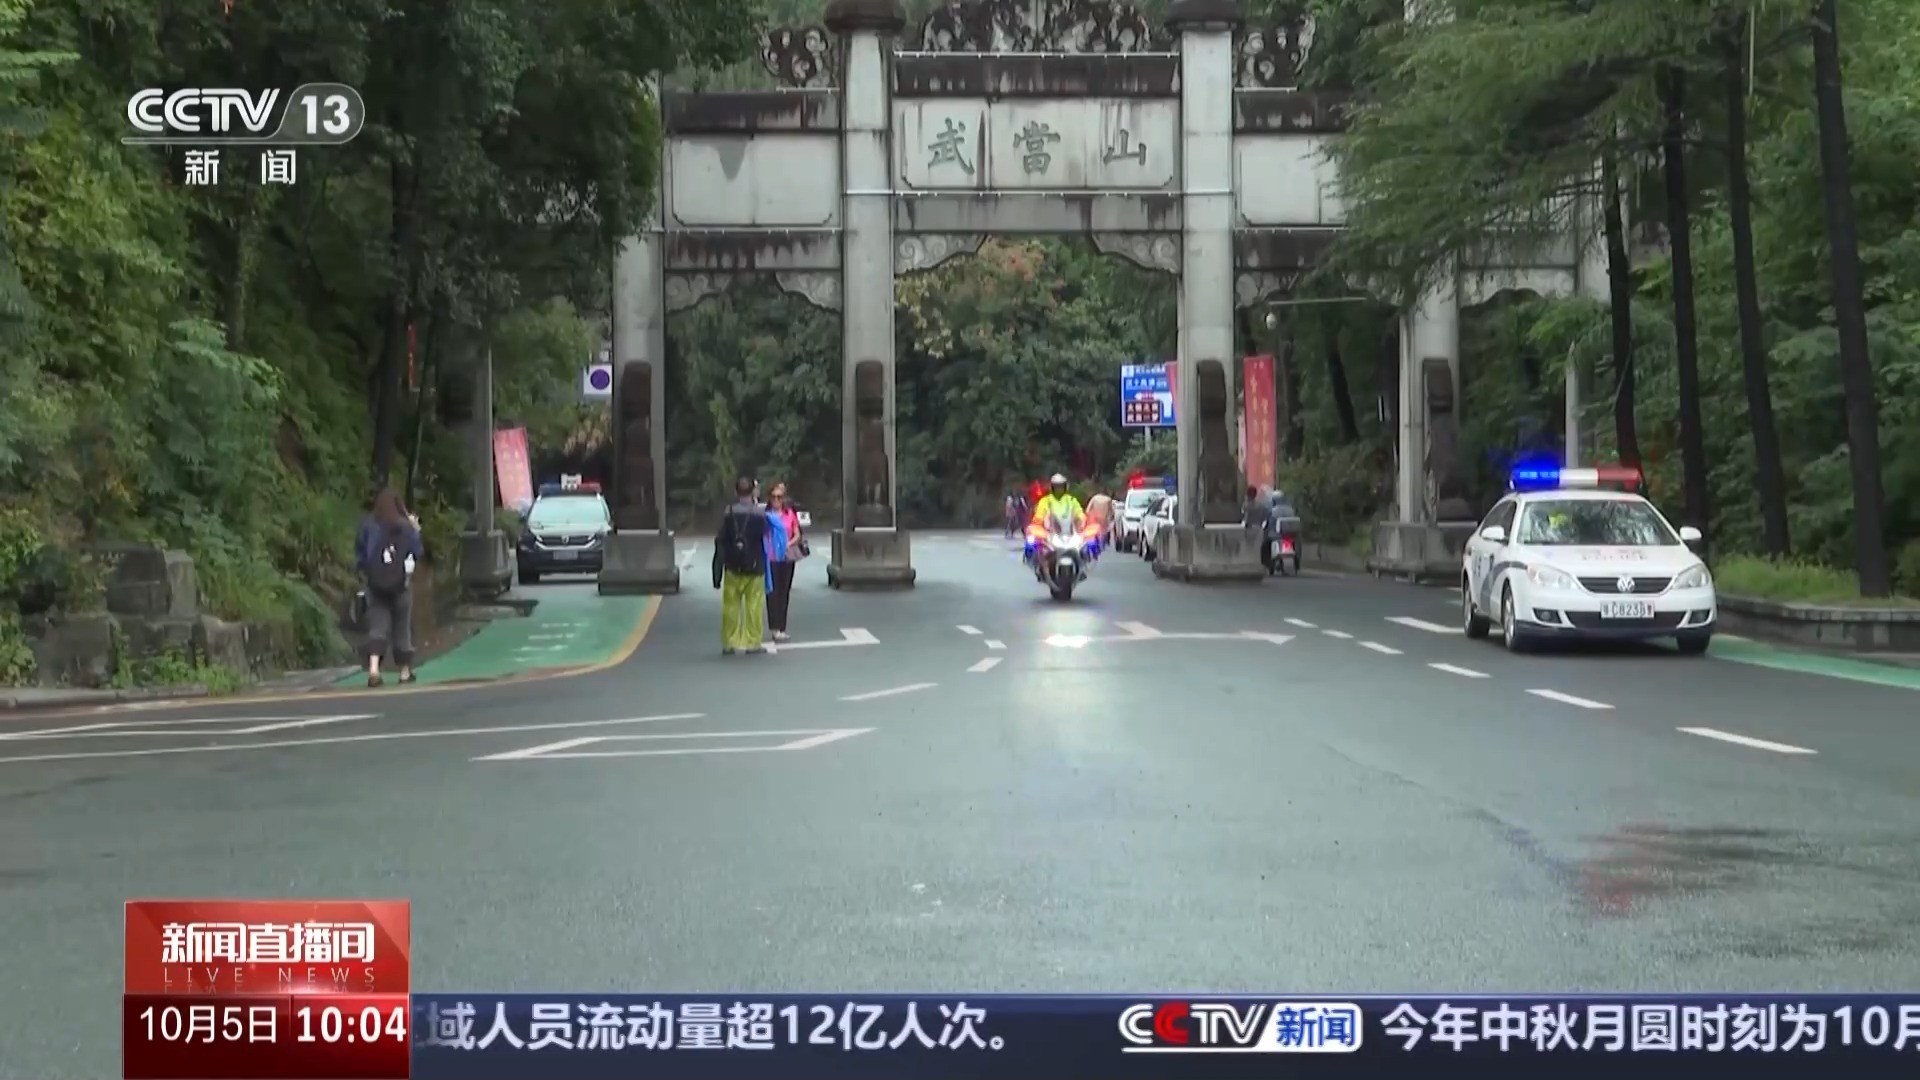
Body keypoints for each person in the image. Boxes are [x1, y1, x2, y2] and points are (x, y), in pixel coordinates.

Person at [355, 488, 424, 687]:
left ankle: (374, 669)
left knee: (377, 626)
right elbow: (417, 552)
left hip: (375, 585)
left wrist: (366, 572)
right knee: (402, 628)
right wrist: (415, 529)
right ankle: (404, 672)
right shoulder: (405, 527)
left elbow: (360, 556)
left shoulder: (368, 526)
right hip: (401, 585)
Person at [712, 476, 771, 655]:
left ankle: (729, 642)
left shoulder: (729, 512)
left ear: (736, 492)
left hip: (732, 565)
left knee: (731, 606)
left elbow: (722, 539)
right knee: (754, 605)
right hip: (755, 565)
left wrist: (718, 569)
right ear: (753, 491)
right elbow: (766, 532)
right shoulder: (760, 513)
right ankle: (753, 643)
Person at [1025, 473, 1086, 575]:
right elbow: (1039, 515)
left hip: (1070, 532)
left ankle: (1081, 568)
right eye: (1056, 486)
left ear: (1065, 487)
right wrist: (1038, 520)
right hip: (1051, 533)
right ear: (1052, 487)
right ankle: (1041, 567)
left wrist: (1082, 521)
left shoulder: (1071, 500)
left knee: (1083, 547)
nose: (1059, 489)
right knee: (1038, 545)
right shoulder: (1045, 501)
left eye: (1061, 486)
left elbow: (1079, 513)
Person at [764, 482, 801, 641]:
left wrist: (788, 543)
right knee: (772, 593)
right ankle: (774, 627)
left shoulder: (789, 514)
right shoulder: (765, 516)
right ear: (769, 498)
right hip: (771, 558)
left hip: (786, 557)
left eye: (779, 497)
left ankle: (781, 627)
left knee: (784, 593)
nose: (776, 500)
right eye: (773, 497)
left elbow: (797, 534)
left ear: (784, 498)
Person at [1245, 484, 1275, 573]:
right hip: (1259, 530)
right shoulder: (1261, 505)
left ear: (1247, 494)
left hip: (1249, 530)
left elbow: (1244, 519)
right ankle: (1267, 565)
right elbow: (1268, 516)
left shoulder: (1245, 506)